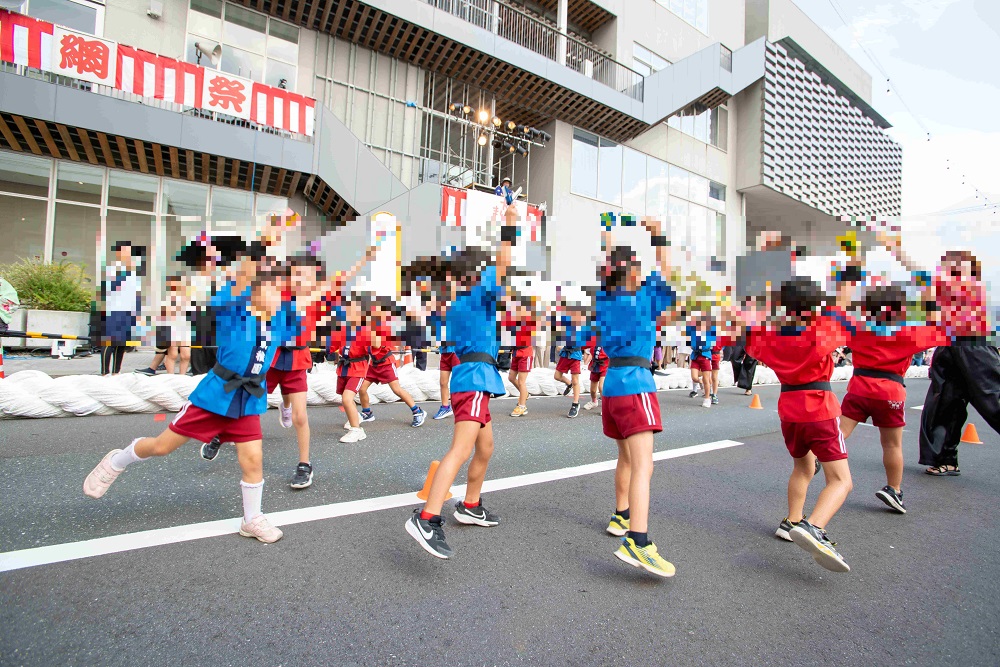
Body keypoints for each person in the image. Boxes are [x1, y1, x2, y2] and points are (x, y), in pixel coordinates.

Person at [83, 243, 294, 544]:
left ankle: (252, 519)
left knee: (253, 460)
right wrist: (263, 247)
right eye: (270, 286)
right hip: (215, 396)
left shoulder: (281, 321)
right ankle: (117, 461)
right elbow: (242, 277)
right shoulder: (234, 309)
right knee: (161, 447)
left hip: (248, 399)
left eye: (280, 289)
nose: (276, 293)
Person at [405, 238, 512, 560]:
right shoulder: (477, 294)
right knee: (461, 449)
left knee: (485, 446)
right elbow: (504, 262)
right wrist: (509, 222)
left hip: (472, 377)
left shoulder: (454, 305)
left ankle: (471, 505)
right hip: (475, 378)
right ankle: (427, 518)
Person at [746, 277, 852, 573]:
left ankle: (791, 521)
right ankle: (814, 527)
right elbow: (842, 302)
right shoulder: (820, 328)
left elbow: (752, 328)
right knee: (841, 481)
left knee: (803, 468)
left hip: (789, 411)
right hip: (819, 407)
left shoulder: (770, 334)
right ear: (816, 306)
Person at [597, 217, 677, 577]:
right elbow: (668, 269)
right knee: (644, 464)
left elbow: (607, 262)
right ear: (633, 274)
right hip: (635, 383)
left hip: (611, 384)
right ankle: (638, 541)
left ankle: (621, 514)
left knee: (626, 458)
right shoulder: (642, 300)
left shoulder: (604, 301)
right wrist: (657, 234)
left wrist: (608, 232)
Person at [838, 285, 947, 513]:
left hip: (858, 388)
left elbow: (840, 312)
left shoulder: (858, 329)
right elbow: (941, 326)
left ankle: (818, 457)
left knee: (838, 433)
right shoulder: (907, 332)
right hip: (890, 393)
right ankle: (893, 490)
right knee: (891, 444)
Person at [357, 298, 427, 428]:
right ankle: (367, 413)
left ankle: (418, 411)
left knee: (396, 390)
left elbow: (376, 343)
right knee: (362, 388)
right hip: (374, 364)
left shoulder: (383, 326)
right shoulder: (368, 326)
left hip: (386, 364)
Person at [100, 241, 143, 376]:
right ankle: (104, 372)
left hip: (128, 312)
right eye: (125, 252)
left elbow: (136, 294)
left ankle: (116, 372)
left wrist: (137, 313)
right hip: (114, 310)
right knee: (110, 342)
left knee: (121, 343)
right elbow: (110, 288)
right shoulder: (113, 269)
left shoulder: (135, 273)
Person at [553, 306, 590, 418]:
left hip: (575, 355)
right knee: (557, 376)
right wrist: (559, 346)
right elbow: (558, 344)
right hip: (565, 354)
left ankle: (575, 404)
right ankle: (568, 384)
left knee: (575, 380)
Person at [506, 299, 535, 417]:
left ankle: (522, 406)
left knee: (522, 382)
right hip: (517, 352)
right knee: (511, 377)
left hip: (526, 352)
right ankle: (525, 394)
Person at [686, 317, 714, 408]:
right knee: (694, 377)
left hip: (705, 355)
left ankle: (707, 398)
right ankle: (700, 382)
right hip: (695, 355)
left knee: (706, 379)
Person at [583, 331, 607, 411]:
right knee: (593, 390)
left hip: (605, 365)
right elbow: (588, 352)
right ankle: (594, 401)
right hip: (594, 365)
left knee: (601, 387)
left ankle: (605, 406)